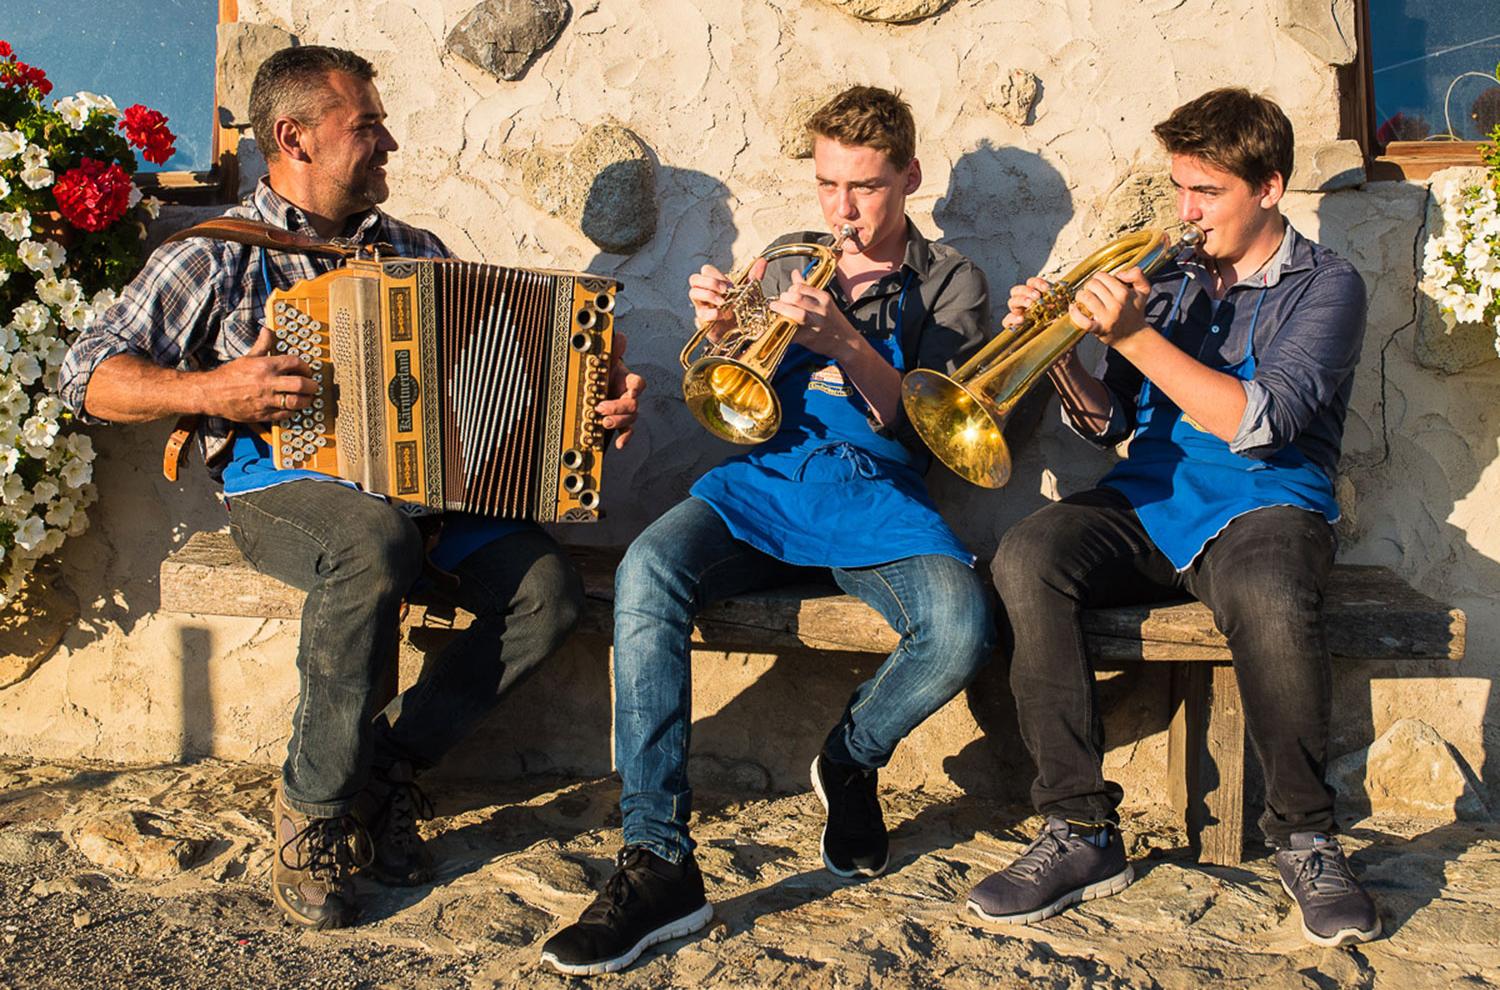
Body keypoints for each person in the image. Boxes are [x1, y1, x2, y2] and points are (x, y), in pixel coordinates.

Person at [58, 45, 644, 931]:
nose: (389, 142)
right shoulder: (214, 257)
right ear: (292, 136)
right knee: (371, 543)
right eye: (366, 126)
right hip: (280, 489)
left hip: (433, 497)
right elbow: (83, 373)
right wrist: (210, 391)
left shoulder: (415, 253)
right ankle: (316, 810)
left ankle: (383, 767)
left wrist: (586, 412)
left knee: (548, 593)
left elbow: (502, 385)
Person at [540, 86, 997, 976]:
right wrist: (719, 333)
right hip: (762, 484)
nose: (843, 209)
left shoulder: (953, 283)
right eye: (828, 184)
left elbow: (932, 429)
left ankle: (852, 758)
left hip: (878, 494)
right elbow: (733, 414)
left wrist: (850, 347)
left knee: (960, 628)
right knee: (646, 574)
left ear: (909, 176)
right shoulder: (788, 258)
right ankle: (658, 856)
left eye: (864, 187)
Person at [966, 88, 1380, 947]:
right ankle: (1080, 830)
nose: (1186, 216)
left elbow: (1260, 422)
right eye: (1180, 190)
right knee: (1025, 555)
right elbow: (1110, 423)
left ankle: (1306, 837)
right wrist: (1059, 354)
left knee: (1269, 591)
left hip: (1267, 501)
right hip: (1150, 499)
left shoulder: (1328, 284)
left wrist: (1129, 336)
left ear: (1269, 187)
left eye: (1208, 193)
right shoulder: (1172, 280)